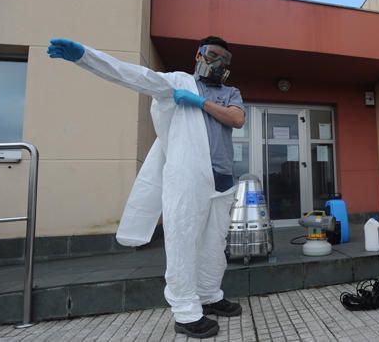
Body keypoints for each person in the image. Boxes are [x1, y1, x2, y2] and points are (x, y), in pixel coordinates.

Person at [47, 36, 244, 338]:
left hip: (223, 180)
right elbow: (135, 76)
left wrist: (201, 103)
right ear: (199, 55)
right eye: (213, 55)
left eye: (224, 59)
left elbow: (237, 119)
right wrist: (86, 56)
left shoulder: (230, 92)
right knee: (182, 241)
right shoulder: (178, 82)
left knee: (214, 245)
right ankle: (186, 311)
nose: (218, 63)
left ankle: (209, 295)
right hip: (188, 178)